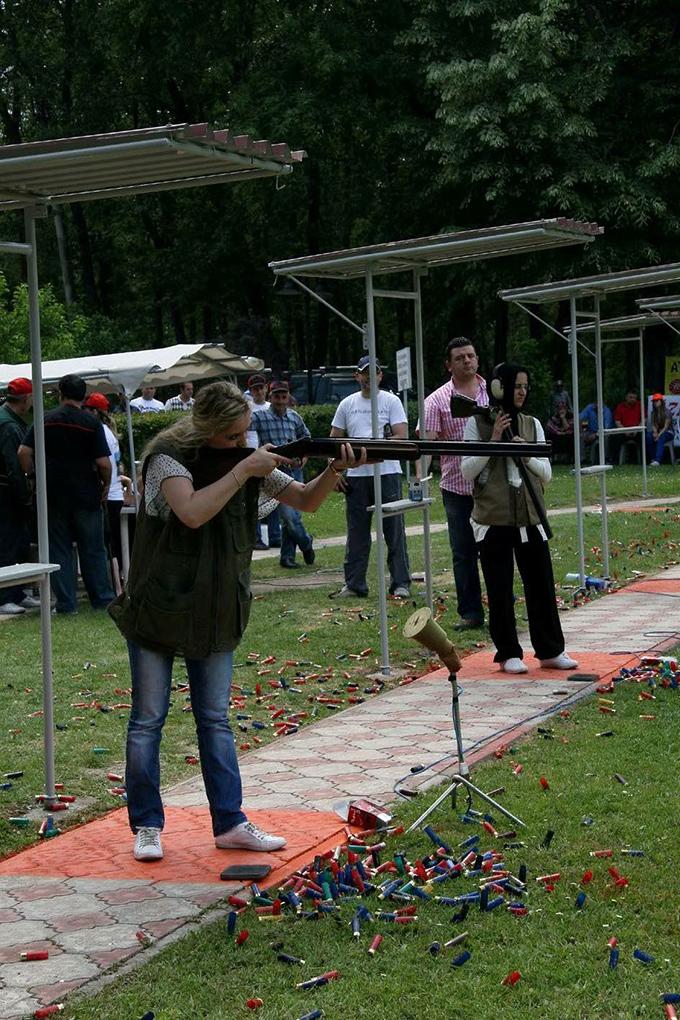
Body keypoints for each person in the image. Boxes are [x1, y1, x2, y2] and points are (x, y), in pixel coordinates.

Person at [108, 380, 364, 861]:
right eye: (234, 437)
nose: (244, 443)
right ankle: (146, 825)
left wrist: (335, 468)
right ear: (206, 430)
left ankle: (229, 822)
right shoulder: (166, 457)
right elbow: (192, 512)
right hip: (158, 602)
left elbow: (306, 500)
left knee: (215, 720)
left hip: (215, 604)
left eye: (247, 434)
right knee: (147, 720)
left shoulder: (243, 459)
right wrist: (246, 467)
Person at [461, 362, 578, 674]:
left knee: (541, 584)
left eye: (526, 386)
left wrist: (526, 454)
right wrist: (495, 440)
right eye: (516, 386)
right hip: (493, 517)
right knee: (499, 588)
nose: (522, 392)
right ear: (501, 388)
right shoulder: (478, 423)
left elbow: (547, 474)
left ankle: (551, 650)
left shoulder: (532, 424)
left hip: (530, 516)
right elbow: (467, 470)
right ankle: (508, 652)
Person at [18, 374, 114, 615]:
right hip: (85, 493)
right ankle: (102, 599)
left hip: (53, 493)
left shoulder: (45, 420)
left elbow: (23, 453)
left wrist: (32, 476)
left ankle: (66, 604)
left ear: (61, 393)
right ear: (83, 396)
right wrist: (105, 485)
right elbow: (104, 463)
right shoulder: (91, 423)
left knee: (58, 549)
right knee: (92, 548)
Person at [330, 355, 411, 599]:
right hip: (356, 475)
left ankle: (401, 583)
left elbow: (402, 436)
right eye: (364, 373)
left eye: (373, 372)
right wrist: (334, 472)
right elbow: (334, 439)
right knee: (357, 531)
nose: (368, 377)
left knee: (394, 529)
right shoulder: (347, 404)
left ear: (380, 376)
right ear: (357, 376)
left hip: (387, 472)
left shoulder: (391, 401)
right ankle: (354, 584)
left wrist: (378, 446)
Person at [423, 337, 487, 629]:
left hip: (491, 486)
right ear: (449, 365)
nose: (467, 361)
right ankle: (471, 613)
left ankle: (501, 604)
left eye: (471, 356)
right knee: (463, 552)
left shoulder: (493, 393)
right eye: (460, 358)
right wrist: (419, 479)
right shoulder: (436, 400)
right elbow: (425, 444)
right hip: (457, 488)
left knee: (496, 549)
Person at [253, 381, 314, 569]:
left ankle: (287, 558)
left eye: (284, 396)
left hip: (295, 470)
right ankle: (306, 543)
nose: (280, 401)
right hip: (273, 474)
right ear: (270, 397)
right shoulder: (259, 417)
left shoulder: (294, 417)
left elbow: (307, 439)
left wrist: (305, 457)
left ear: (288, 397)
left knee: (293, 516)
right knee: (289, 517)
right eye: (277, 397)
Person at [0, 378, 38, 615]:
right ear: (26, 399)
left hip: (7, 491)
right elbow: (14, 466)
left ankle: (16, 592)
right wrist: (25, 495)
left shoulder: (8, 420)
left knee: (17, 542)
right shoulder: (9, 426)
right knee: (8, 543)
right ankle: (6, 596)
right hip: (7, 493)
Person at [82, 392, 128, 588]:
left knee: (109, 546)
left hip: (108, 495)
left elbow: (105, 466)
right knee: (113, 545)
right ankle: (117, 586)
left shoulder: (98, 432)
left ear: (93, 411)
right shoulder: (109, 431)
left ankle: (116, 587)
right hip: (115, 494)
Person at [244, 374, 280, 551]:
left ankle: (275, 536)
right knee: (255, 499)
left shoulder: (271, 407)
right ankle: (256, 537)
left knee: (274, 497)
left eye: (261, 387)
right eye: (254, 389)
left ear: (266, 388)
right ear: (250, 391)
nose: (258, 391)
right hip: (253, 457)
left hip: (271, 457)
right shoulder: (248, 409)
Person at [612, 389, 642, 464]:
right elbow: (617, 422)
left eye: (634, 398)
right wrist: (624, 431)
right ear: (626, 397)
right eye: (630, 397)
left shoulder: (640, 405)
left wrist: (637, 429)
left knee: (644, 438)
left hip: (637, 430)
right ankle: (615, 460)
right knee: (615, 438)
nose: (633, 399)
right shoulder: (620, 407)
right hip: (623, 431)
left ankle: (643, 461)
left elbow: (644, 420)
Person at [647, 393, 674, 465]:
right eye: (654, 401)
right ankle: (652, 459)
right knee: (649, 436)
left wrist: (658, 435)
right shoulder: (653, 413)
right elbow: (653, 424)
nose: (655, 402)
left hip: (668, 432)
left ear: (661, 401)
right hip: (658, 432)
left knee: (661, 437)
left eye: (657, 400)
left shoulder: (667, 412)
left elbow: (666, 427)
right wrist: (655, 433)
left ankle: (657, 460)